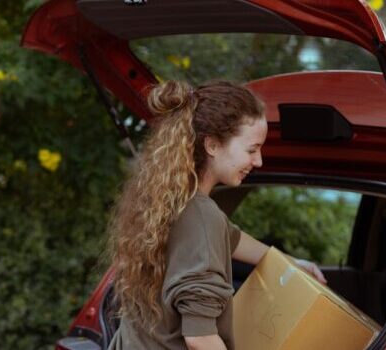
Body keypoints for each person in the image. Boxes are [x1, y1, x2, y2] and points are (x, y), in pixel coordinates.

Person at [107, 80, 326, 350]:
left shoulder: (167, 200)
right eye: (252, 149)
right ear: (212, 145)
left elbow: (230, 237)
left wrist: (291, 264)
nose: (258, 161)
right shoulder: (201, 216)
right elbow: (200, 338)